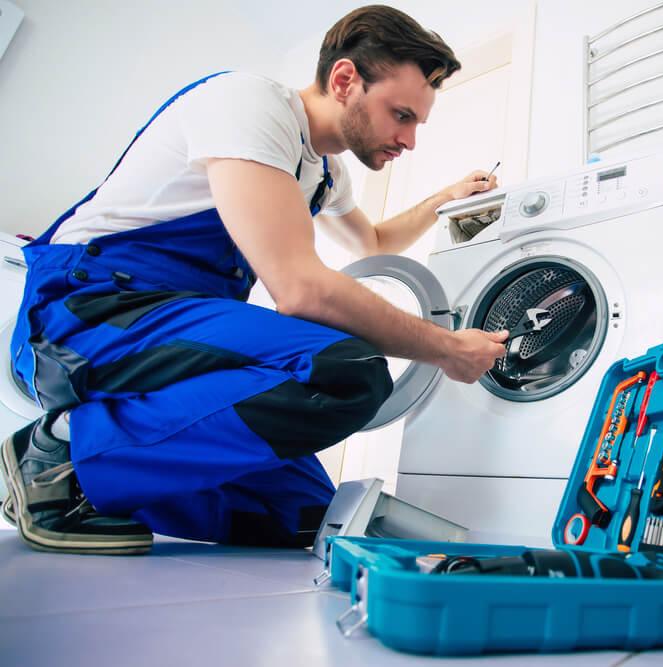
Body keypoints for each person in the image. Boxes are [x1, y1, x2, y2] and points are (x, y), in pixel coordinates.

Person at [0, 5, 508, 555]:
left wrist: (445, 199)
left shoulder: (325, 174)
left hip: (171, 334)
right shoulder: (249, 104)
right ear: (344, 80)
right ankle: (60, 457)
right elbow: (301, 290)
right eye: (401, 115)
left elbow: (375, 244)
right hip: (88, 312)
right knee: (348, 371)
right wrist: (447, 348)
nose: (408, 139)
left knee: (306, 516)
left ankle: (97, 489)